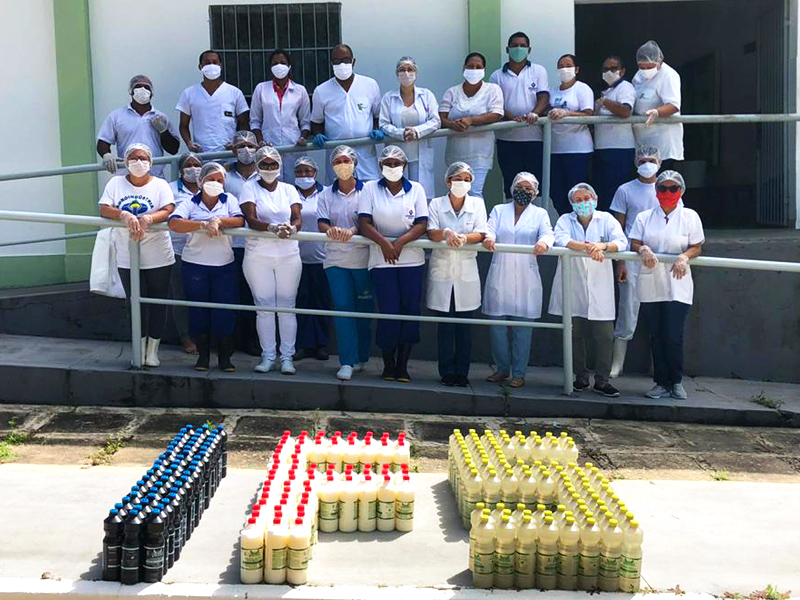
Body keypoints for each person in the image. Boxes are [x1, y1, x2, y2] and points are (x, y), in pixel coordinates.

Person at [98, 143, 175, 368]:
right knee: (134, 302)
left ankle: (152, 351)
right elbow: (104, 208)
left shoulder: (160, 185)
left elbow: (168, 209)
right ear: (126, 162)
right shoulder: (116, 183)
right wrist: (124, 215)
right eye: (133, 158)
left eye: (143, 158)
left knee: (158, 301)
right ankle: (138, 349)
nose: (138, 162)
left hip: (158, 253)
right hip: (127, 253)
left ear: (150, 162)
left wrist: (148, 218)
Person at [629, 170, 704, 399]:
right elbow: (634, 241)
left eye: (673, 188)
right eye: (663, 188)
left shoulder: (690, 216)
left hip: (677, 281)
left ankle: (676, 381)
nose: (668, 192)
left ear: (681, 191)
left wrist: (684, 257)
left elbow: (696, 246)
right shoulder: (644, 217)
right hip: (651, 280)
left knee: (673, 334)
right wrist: (643, 249)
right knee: (656, 334)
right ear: (656, 191)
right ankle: (661, 382)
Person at [549, 183, 627, 398]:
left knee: (605, 336)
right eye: (578, 200)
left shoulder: (606, 219)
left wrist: (602, 246)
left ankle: (602, 380)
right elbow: (561, 239)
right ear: (572, 203)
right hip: (572, 284)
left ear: (595, 200)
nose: (583, 203)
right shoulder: (565, 220)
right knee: (574, 334)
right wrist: (588, 247)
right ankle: (580, 377)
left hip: (600, 287)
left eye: (587, 199)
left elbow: (621, 242)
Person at [358, 145, 428, 382]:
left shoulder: (416, 189)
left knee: (410, 311)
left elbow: (422, 224)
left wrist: (399, 243)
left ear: (405, 166)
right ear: (380, 166)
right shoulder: (370, 188)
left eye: (397, 163)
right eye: (387, 163)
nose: (392, 167)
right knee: (388, 311)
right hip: (381, 261)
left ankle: (403, 365)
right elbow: (364, 223)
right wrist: (385, 244)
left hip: (411, 261)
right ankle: (388, 364)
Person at [167, 163, 245, 372]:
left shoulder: (229, 200)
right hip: (195, 265)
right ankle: (202, 357)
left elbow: (239, 220)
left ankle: (225, 358)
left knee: (225, 311)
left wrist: (218, 221)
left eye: (220, 180)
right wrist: (202, 224)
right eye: (211, 179)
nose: (215, 184)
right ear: (201, 181)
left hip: (224, 265)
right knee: (198, 310)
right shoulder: (190, 203)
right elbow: (174, 222)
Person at [482, 172, 554, 388]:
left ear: (535, 193)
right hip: (500, 273)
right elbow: (489, 229)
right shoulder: (499, 210)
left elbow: (548, 233)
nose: (523, 191)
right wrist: (489, 238)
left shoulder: (540, 213)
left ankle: (519, 373)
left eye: (528, 188)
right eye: (520, 187)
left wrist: (543, 243)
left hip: (526, 276)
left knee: (523, 329)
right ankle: (502, 369)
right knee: (497, 327)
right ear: (512, 189)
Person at [239, 146, 303, 375]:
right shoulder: (249, 188)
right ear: (257, 166)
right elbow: (251, 219)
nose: (268, 168)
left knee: (287, 306)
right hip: (258, 255)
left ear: (279, 166)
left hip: (288, 255)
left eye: (273, 164)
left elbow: (297, 218)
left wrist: (291, 228)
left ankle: (287, 358)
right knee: (264, 306)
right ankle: (267, 356)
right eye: (264, 164)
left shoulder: (289, 189)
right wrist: (272, 228)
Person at [426, 162, 487, 387]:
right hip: (442, 269)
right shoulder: (436, 204)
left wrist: (463, 238)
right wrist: (447, 233)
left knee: (464, 326)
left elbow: (481, 232)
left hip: (466, 271)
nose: (462, 183)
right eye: (458, 179)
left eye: (467, 179)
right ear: (448, 181)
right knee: (445, 326)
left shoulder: (477, 204)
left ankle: (462, 372)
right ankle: (446, 371)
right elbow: (431, 232)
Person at [317, 145, 374, 381]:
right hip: (335, 260)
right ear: (332, 166)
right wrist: (330, 230)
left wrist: (353, 230)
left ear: (354, 163)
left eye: (346, 161)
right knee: (343, 310)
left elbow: (368, 221)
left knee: (364, 310)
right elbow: (322, 222)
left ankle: (361, 356)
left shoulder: (368, 190)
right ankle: (347, 361)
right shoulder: (325, 194)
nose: (343, 165)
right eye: (338, 161)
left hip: (363, 259)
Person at [609, 145, 661, 377]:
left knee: (659, 311)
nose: (647, 164)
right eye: (642, 161)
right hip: (631, 257)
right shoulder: (625, 190)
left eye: (652, 160)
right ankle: (617, 363)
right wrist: (620, 262)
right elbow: (618, 228)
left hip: (660, 258)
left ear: (660, 163)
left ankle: (658, 363)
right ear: (635, 163)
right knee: (628, 309)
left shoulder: (667, 188)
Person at [489, 32, 550, 198]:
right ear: (507, 49)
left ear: (529, 49)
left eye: (523, 46)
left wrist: (534, 113)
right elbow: (496, 104)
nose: (518, 49)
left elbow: (544, 96)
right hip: (506, 139)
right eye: (515, 45)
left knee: (534, 184)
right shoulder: (496, 76)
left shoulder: (538, 71)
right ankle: (513, 213)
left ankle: (533, 213)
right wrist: (511, 118)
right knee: (511, 183)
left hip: (534, 137)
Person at [311, 44, 383, 182]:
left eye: (346, 60)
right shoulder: (321, 90)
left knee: (369, 190)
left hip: (365, 154)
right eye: (337, 61)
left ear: (353, 61)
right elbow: (316, 122)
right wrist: (318, 134)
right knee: (340, 190)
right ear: (331, 64)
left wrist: (376, 129)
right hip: (338, 155)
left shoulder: (370, 85)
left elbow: (377, 115)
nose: (342, 65)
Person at [439, 52, 504, 197]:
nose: (474, 70)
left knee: (474, 192)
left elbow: (496, 114)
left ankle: (478, 214)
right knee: (456, 192)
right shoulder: (452, 92)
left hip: (480, 152)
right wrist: (452, 125)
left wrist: (471, 121)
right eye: (470, 66)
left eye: (478, 67)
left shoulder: (492, 89)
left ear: (484, 70)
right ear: (463, 68)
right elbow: (440, 118)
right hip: (455, 152)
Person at [379, 56, 441, 198]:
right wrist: (401, 133)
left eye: (410, 69)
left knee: (420, 195)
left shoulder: (426, 95)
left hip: (420, 154)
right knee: (398, 194)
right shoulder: (388, 98)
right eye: (402, 70)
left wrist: (417, 131)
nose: (406, 73)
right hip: (397, 154)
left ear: (416, 72)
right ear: (397, 74)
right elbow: (383, 124)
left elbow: (436, 121)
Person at [97, 75, 180, 178]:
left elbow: (173, 149)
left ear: (152, 93)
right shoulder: (116, 116)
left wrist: (164, 131)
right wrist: (106, 155)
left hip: (154, 176)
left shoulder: (161, 117)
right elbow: (103, 142)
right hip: (126, 176)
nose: (142, 89)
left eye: (146, 87)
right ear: (131, 91)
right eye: (138, 86)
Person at [224, 131, 261, 357]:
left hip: (256, 245)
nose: (246, 150)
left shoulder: (265, 174)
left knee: (253, 294)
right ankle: (229, 341)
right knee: (230, 293)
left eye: (250, 145)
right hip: (230, 245)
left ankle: (252, 341)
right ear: (233, 150)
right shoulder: (225, 176)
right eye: (241, 146)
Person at [249, 49, 312, 181]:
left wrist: (302, 137)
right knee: (270, 182)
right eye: (275, 63)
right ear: (270, 67)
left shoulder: (300, 90)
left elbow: (305, 122)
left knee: (294, 183)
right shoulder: (261, 89)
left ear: (289, 66)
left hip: (294, 145)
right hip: (268, 146)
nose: (279, 66)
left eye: (283, 63)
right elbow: (255, 121)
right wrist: (261, 141)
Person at [293, 155, 332, 362]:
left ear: (315, 172)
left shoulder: (326, 193)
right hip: (296, 258)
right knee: (301, 301)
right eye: (299, 171)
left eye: (308, 171)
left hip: (322, 258)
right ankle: (303, 344)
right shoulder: (289, 193)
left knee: (322, 302)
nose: (304, 175)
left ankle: (321, 344)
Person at [547, 54, 594, 215]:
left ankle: (581, 222)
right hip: (555, 149)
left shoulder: (582, 88)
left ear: (576, 69)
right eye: (561, 66)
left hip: (578, 149)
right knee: (557, 192)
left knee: (577, 192)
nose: (564, 69)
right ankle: (565, 222)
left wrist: (566, 113)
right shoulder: (553, 91)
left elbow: (588, 114)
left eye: (568, 65)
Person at [176, 50, 250, 153]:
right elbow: (183, 125)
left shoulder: (234, 92)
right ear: (200, 66)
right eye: (207, 63)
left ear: (221, 66)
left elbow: (244, 123)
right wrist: (189, 143)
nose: (211, 66)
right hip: (202, 155)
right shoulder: (189, 93)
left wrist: (238, 142)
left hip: (229, 155)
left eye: (215, 62)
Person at [168, 152, 203, 355]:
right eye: (188, 165)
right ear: (180, 170)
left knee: (201, 295)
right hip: (177, 250)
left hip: (204, 250)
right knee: (180, 295)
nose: (193, 169)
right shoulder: (171, 189)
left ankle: (203, 336)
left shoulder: (210, 187)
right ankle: (185, 337)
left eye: (196, 165)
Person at [593, 56, 637, 211]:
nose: (609, 72)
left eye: (613, 69)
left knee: (616, 193)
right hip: (601, 148)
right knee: (603, 192)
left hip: (619, 148)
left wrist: (605, 101)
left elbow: (625, 111)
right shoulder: (605, 90)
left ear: (622, 71)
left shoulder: (625, 88)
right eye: (605, 69)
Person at [632, 40, 683, 166]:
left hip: (663, 138)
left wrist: (657, 112)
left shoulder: (668, 75)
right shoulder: (638, 76)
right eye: (641, 66)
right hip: (642, 138)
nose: (645, 70)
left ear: (659, 62)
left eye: (649, 67)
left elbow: (674, 105)